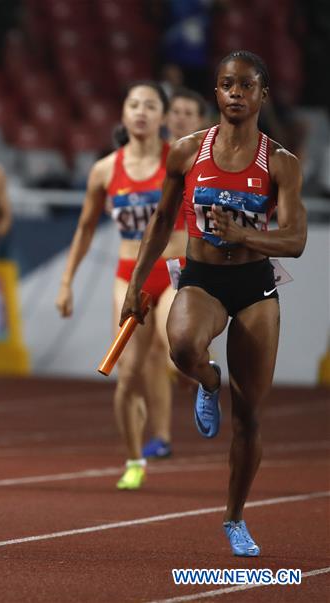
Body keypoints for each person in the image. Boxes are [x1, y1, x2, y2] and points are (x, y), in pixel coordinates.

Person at [121, 51, 306, 556]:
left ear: (263, 95)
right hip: (201, 278)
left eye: (247, 86)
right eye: (227, 85)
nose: (236, 94)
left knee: (249, 417)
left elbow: (294, 239)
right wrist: (139, 281)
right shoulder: (186, 151)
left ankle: (235, 518)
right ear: (216, 93)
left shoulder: (280, 163)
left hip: (254, 288)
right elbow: (161, 221)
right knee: (180, 345)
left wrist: (247, 234)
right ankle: (207, 379)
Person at [56, 81, 181, 490]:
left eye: (150, 105)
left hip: (176, 269)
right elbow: (86, 227)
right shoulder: (106, 170)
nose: (141, 112)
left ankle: (203, 375)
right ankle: (133, 459)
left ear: (164, 116)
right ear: (123, 114)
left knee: (174, 342)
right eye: (134, 104)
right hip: (130, 277)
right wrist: (66, 282)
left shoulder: (180, 160)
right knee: (127, 376)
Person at [141, 85, 210, 459]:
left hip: (183, 263)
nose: (181, 117)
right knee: (152, 355)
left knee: (168, 344)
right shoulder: (151, 157)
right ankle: (162, 435)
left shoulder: (207, 160)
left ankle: (195, 365)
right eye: (176, 112)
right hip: (149, 262)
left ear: (201, 121)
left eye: (189, 112)